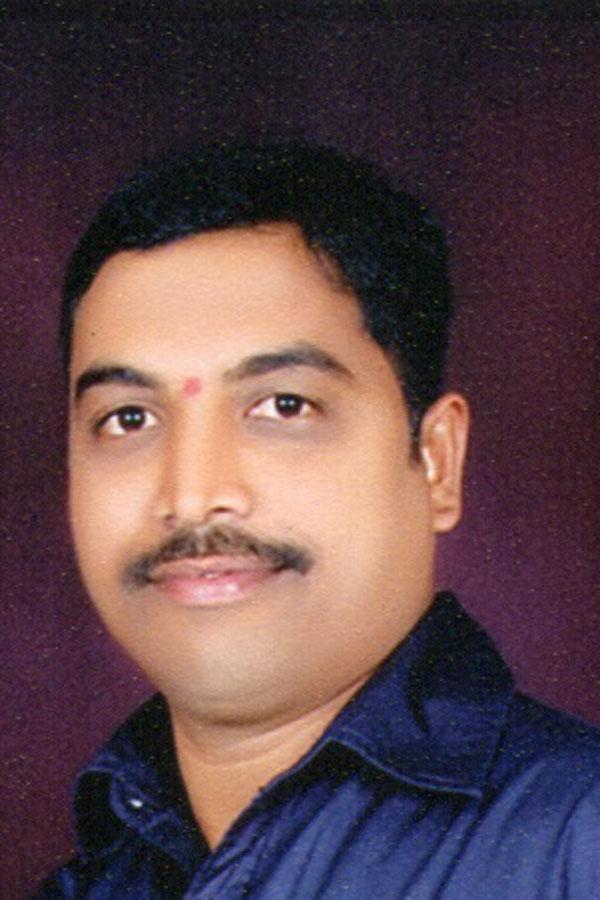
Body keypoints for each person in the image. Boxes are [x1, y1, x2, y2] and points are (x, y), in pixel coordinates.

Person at [38, 141, 600, 898]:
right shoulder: (93, 885)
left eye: (283, 406)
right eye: (129, 418)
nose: (193, 495)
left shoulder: (576, 844)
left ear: (437, 460)